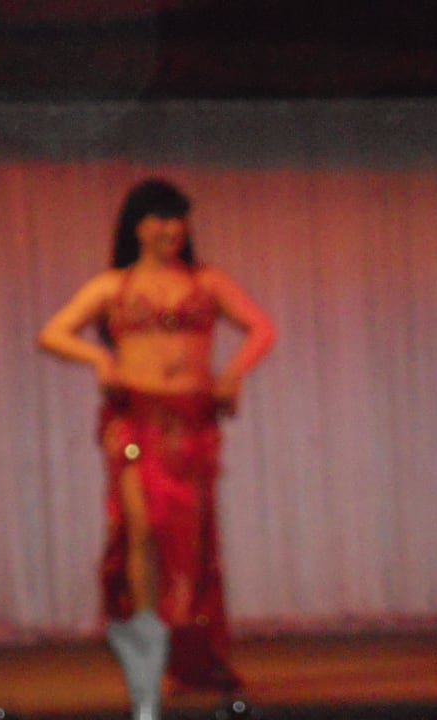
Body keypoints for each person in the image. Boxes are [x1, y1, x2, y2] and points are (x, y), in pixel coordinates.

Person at [37, 179, 275, 720]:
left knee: (188, 543)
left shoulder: (207, 281)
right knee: (141, 529)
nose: (172, 229)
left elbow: (261, 328)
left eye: (178, 218)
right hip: (135, 421)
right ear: (137, 225)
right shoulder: (113, 285)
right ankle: (148, 650)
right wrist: (100, 360)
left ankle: (186, 654)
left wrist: (232, 374)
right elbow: (53, 332)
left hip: (191, 424)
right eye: (160, 218)